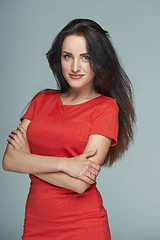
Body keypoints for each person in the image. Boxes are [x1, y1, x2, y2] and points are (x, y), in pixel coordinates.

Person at [2, 18, 136, 240]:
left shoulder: (105, 107)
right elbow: (9, 161)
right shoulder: (41, 101)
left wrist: (28, 159)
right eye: (68, 56)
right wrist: (65, 164)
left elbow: (79, 183)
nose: (75, 67)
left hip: (82, 227)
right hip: (36, 224)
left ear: (100, 61)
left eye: (86, 57)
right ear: (58, 59)